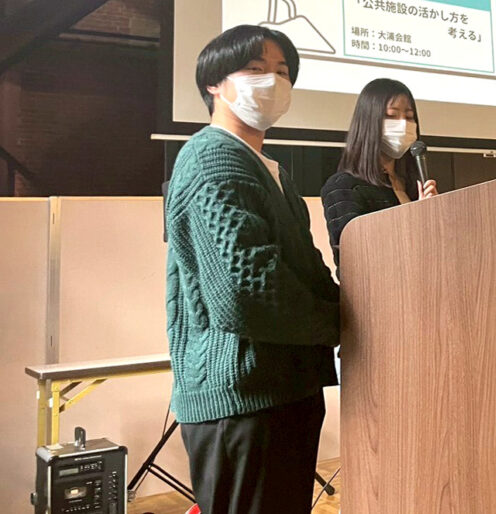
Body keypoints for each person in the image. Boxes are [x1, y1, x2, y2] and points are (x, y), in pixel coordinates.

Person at [164, 25, 340, 514]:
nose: (273, 82)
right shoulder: (211, 156)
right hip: (242, 398)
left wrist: (347, 316)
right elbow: (247, 290)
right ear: (214, 83)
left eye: (282, 72)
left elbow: (307, 268)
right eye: (256, 69)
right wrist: (338, 324)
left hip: (285, 389)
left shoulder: (270, 168)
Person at [320, 78, 438, 264]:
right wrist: (416, 220)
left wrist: (436, 215)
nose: (403, 124)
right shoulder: (343, 187)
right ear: (368, 122)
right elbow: (353, 260)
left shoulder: (412, 184)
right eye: (391, 116)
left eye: (409, 117)